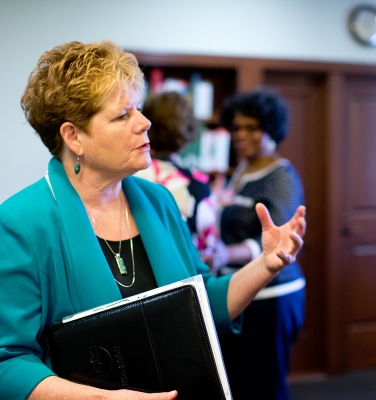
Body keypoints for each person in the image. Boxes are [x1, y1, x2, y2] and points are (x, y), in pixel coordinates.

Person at [0, 40, 306, 400]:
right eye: (123, 115)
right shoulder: (19, 222)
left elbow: (200, 303)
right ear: (74, 136)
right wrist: (103, 399)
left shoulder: (158, 200)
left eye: (139, 109)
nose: (144, 123)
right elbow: (10, 361)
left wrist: (267, 264)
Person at [210, 89, 306, 400]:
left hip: (273, 295)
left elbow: (275, 242)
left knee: (265, 386)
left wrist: (226, 253)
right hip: (242, 288)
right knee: (240, 382)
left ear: (271, 129)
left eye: (251, 127)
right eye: (236, 128)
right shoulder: (241, 168)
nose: (241, 135)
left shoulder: (282, 177)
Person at [135, 91, 217, 254]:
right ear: (189, 128)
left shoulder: (128, 175)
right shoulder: (196, 181)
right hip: (183, 273)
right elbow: (207, 245)